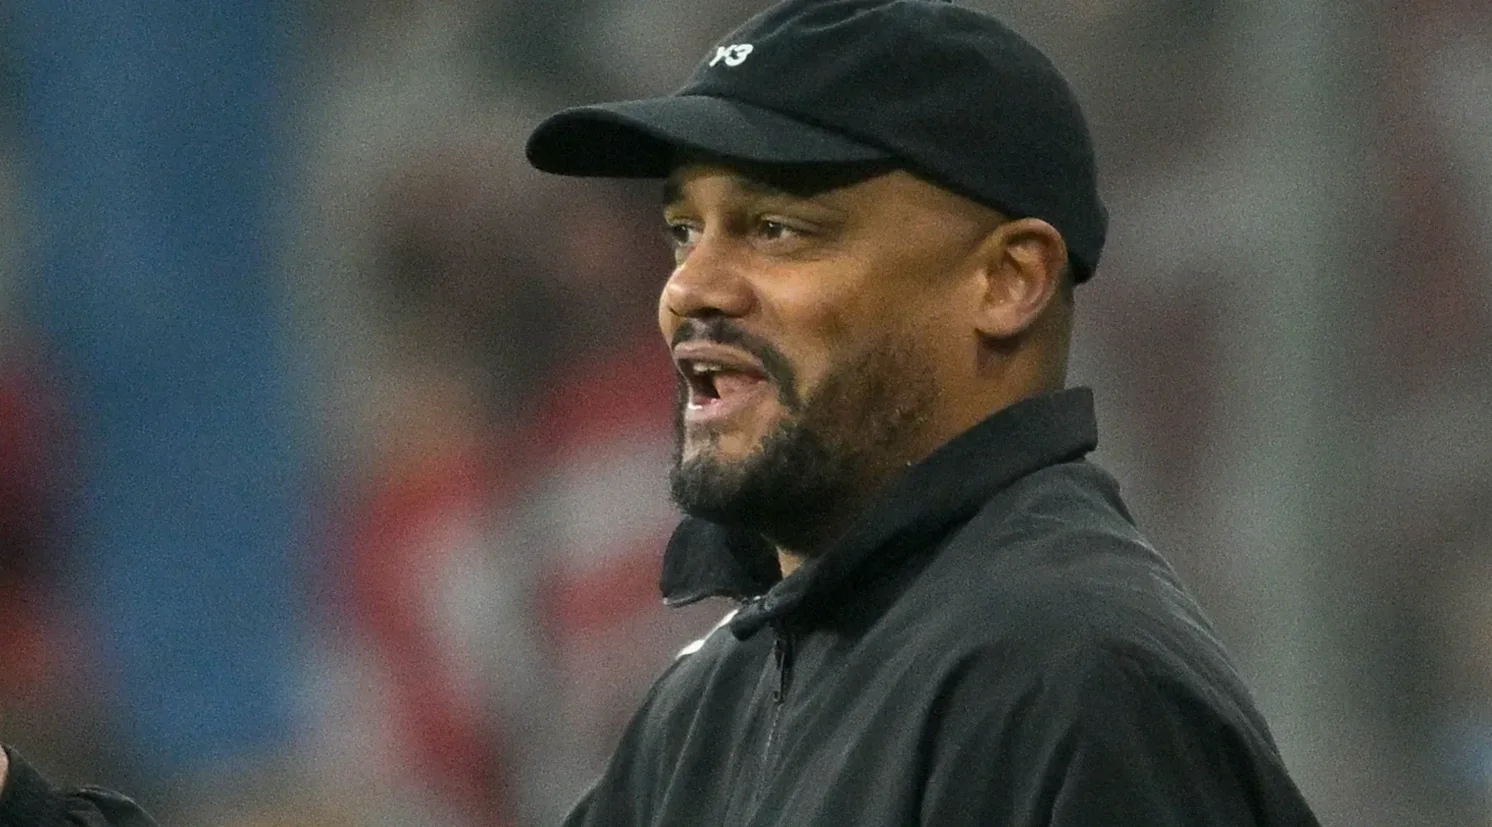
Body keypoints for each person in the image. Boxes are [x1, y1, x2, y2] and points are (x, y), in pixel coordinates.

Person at [0, 0, 1324, 824]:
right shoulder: (738, 687)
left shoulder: (1062, 674)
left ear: (1008, 282)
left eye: (781, 229)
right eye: (687, 229)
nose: (693, 285)